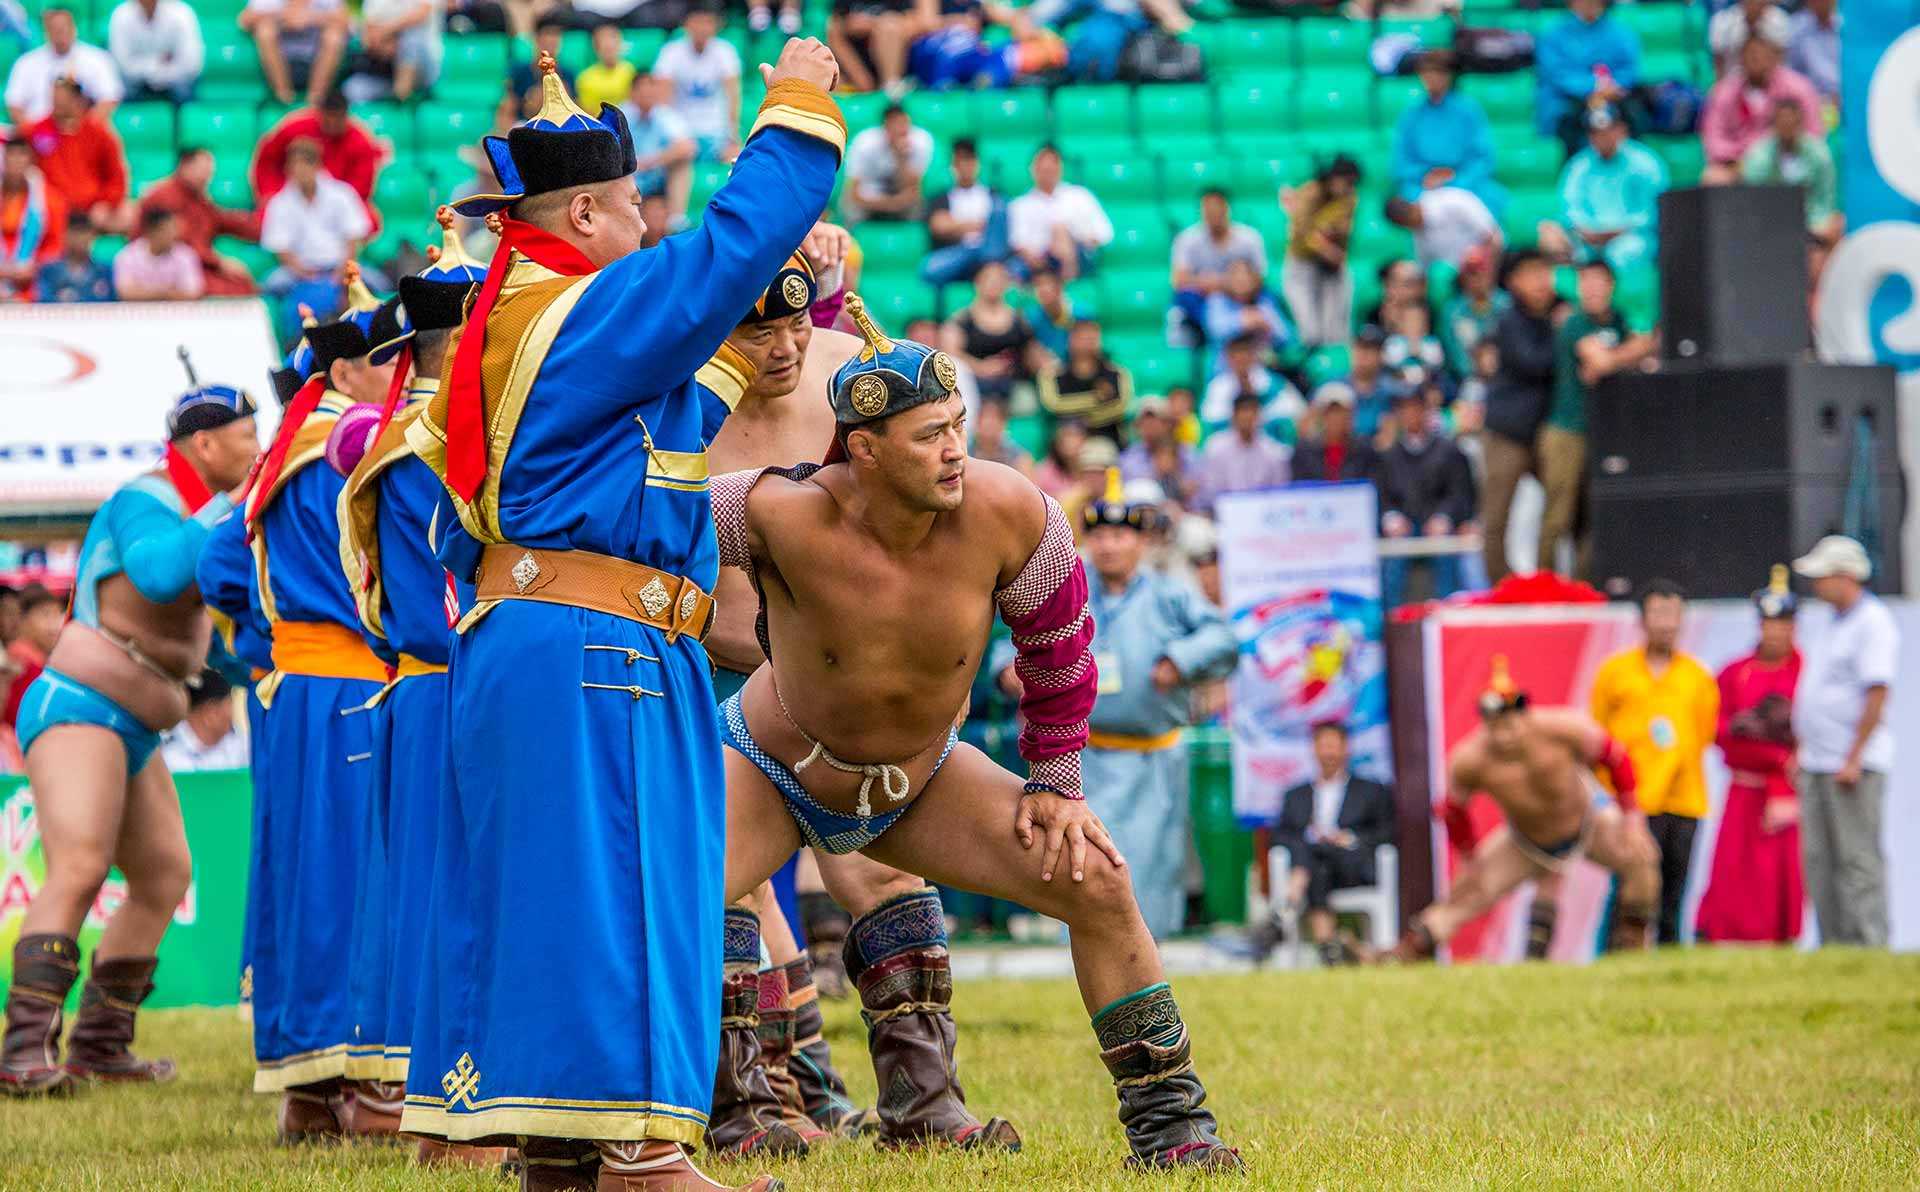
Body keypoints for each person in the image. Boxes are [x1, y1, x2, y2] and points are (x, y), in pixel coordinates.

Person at [394, 44, 844, 1190]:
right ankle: (643, 1154)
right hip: (600, 647)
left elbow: (655, 422)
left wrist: (780, 315)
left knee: (549, 897)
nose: (647, 220)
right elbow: (723, 254)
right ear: (585, 208)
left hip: (520, 637)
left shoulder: (513, 321)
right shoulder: (589, 308)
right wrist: (796, 106)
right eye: (636, 200)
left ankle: (558, 1148)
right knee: (627, 889)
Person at [710, 301, 1242, 1172]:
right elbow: (647, 530)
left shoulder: (1012, 511)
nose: (957, 450)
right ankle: (598, 1133)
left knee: (1098, 880)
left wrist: (1056, 785)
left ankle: (1173, 1131)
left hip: (915, 780)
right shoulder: (779, 511)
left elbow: (1061, 651)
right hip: (774, 764)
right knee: (657, 902)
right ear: (866, 449)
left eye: (958, 427)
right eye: (930, 436)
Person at [704, 264, 1011, 1156]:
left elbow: (932, 415)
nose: (785, 349)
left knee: (883, 872)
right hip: (712, 674)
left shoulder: (841, 363)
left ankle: (922, 1107)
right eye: (758, 333)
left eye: (795, 330)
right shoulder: (677, 404)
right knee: (724, 884)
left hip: (839, 694)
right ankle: (749, 1107)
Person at [0, 378, 259, 1095]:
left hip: (137, 721)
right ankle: (22, 1053)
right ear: (204, 444)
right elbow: (157, 573)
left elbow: (200, 630)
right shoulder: (145, 499)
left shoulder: (201, 511)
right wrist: (230, 506)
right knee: (80, 867)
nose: (258, 450)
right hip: (79, 707)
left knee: (164, 875)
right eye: (248, 437)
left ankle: (98, 1045)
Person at [332, 211, 507, 1171]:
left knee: (425, 894)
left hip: (410, 683)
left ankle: (428, 1104)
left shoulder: (391, 438)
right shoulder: (451, 438)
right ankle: (456, 1108)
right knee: (466, 897)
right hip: (460, 681)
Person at [237, 277, 401, 1141]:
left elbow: (230, 563)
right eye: (387, 358)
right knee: (357, 883)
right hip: (353, 686)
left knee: (305, 886)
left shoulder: (287, 445)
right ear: (345, 371)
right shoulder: (348, 444)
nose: (403, 369)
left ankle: (308, 1095)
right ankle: (372, 1093)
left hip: (298, 690)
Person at [1019, 473, 1236, 939]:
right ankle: (1081, 954)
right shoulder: (1069, 586)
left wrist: (1180, 659)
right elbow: (1019, 636)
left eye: (1120, 535)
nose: (1110, 546)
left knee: (1152, 865)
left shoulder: (1169, 592)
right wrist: (1007, 671)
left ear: (1139, 542)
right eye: (1099, 535)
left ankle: (1151, 961)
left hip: (1154, 756)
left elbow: (1223, 637)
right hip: (1083, 757)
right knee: (1080, 860)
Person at [1388, 657, 1661, 962]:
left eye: (1509, 722)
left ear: (1525, 714)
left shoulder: (1563, 728)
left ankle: (1633, 945)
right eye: (1495, 726)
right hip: (1525, 840)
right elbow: (1453, 811)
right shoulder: (1470, 759)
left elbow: (1616, 759)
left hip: (1588, 822)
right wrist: (1469, 857)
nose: (1504, 735)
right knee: (1469, 891)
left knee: (1642, 858)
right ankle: (1403, 955)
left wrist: (1632, 819)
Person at [1589, 580, 1719, 946]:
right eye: (1658, 614)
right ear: (1642, 620)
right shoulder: (1616, 673)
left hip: (1684, 799)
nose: (1666, 623)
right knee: (1628, 888)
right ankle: (1612, 956)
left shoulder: (1696, 676)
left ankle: (1670, 958)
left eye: (1673, 614)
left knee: (1674, 890)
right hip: (1634, 802)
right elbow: (1598, 738)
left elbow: (1704, 733)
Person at [1790, 535, 1897, 949]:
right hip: (1818, 762)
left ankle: (1871, 942)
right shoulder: (1834, 622)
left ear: (1847, 576)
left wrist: (1854, 756)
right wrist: (1804, 750)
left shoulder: (1873, 622)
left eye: (1823, 576)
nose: (1816, 585)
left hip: (1853, 765)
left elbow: (1877, 692)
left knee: (1857, 859)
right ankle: (1834, 944)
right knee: (1820, 860)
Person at [1695, 568, 1804, 945]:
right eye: (1768, 623)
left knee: (1783, 872)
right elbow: (1721, 733)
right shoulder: (1734, 673)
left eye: (1783, 623)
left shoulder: (1805, 671)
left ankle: (1783, 937)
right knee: (1734, 871)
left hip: (1787, 792)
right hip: (1745, 790)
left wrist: (1784, 762)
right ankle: (1724, 936)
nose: (1775, 631)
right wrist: (1771, 753)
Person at [1537, 258, 1652, 578]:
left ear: (1611, 286)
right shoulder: (1575, 323)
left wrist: (1616, 358)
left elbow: (1645, 346)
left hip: (1603, 431)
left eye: (1598, 281)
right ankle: (1543, 582)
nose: (1592, 289)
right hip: (1566, 430)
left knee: (1597, 514)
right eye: (1585, 282)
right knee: (1558, 516)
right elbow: (1603, 360)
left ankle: (1584, 583)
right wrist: (1626, 356)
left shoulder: (1618, 320)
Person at [1259, 721, 1395, 966]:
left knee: (1314, 855)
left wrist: (1348, 838)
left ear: (1346, 749)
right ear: (1314, 750)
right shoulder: (1296, 795)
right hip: (1317, 869)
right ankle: (1328, 950)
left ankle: (1286, 906)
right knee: (1314, 857)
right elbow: (1279, 836)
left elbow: (1386, 832)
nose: (1329, 753)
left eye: (1334, 746)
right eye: (1323, 746)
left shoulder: (1371, 791)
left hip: (1350, 865)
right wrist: (1314, 836)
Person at [1479, 249, 1560, 586]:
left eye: (1545, 272)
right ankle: (1501, 585)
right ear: (1513, 283)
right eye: (1531, 274)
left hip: (1546, 431)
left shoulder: (1558, 313)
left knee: (1563, 507)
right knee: (1497, 515)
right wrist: (1563, 335)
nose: (1541, 282)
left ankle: (1551, 579)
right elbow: (1534, 363)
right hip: (1508, 432)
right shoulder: (1509, 321)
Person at [1539, 105, 1667, 277]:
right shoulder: (1580, 165)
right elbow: (1570, 208)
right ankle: (1571, 299)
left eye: (1608, 130)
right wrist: (1586, 230)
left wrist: (1617, 231)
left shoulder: (1645, 163)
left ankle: (1622, 300)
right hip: (1588, 237)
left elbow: (1654, 211)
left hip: (1632, 236)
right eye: (1596, 133)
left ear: (1622, 130)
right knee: (1550, 236)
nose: (1602, 137)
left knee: (1624, 252)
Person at [1376, 387, 1474, 608]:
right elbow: (1383, 497)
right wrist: (1390, 517)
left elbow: (1460, 493)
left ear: (1425, 410)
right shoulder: (1388, 456)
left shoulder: (1448, 451)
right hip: (1404, 528)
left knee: (1447, 548)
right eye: (1404, 409)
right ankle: (1393, 619)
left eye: (1415, 407)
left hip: (1438, 526)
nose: (1410, 414)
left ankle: (1448, 612)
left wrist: (1444, 516)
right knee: (1393, 555)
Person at [1389, 50, 1502, 227]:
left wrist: (1455, 179)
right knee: (1408, 209)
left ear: (1450, 75)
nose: (1432, 78)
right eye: (1427, 72)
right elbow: (1402, 162)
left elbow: (1483, 157)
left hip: (1466, 181)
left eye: (1439, 72)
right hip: (1423, 184)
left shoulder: (1469, 110)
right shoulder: (1410, 115)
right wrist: (1425, 176)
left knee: (1486, 203)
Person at [1701, 34, 1826, 185]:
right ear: (1741, 60)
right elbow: (1714, 138)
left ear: (1774, 58)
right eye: (1751, 56)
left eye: (1761, 55)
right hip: (1738, 164)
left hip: (1787, 157)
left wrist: (1783, 151)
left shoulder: (1799, 88)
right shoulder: (1724, 92)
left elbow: (1814, 132)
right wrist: (1744, 159)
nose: (1756, 61)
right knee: (1713, 178)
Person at [136, 146, 261, 297]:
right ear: (184, 166)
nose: (206, 177)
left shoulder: (199, 198)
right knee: (224, 288)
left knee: (241, 283)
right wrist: (219, 262)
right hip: (166, 265)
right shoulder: (164, 196)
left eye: (209, 173)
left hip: (197, 263)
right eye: (202, 170)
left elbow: (222, 220)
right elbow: (179, 242)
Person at [259, 138, 370, 296]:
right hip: (298, 272)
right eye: (295, 165)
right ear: (288, 168)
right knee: (271, 285)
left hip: (340, 266)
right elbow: (281, 249)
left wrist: (341, 271)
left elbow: (353, 238)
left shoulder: (342, 194)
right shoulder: (279, 203)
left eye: (306, 164)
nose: (300, 170)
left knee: (379, 283)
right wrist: (305, 275)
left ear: (317, 165)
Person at [22, 77, 131, 235]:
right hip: (52, 209)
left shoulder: (100, 134)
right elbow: (16, 155)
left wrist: (106, 203)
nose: (56, 104)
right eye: (54, 98)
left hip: (92, 211)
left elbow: (116, 178)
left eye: (62, 99)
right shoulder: (36, 131)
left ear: (78, 101)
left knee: (129, 216)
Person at [1534, 0, 1643, 158]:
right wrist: (1593, 87)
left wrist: (1610, 88)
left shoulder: (1621, 33)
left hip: (1614, 96)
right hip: (1569, 101)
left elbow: (1629, 70)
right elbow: (1557, 74)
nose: (1589, 4)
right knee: (1570, 122)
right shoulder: (1553, 34)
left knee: (1634, 116)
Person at [251, 89, 385, 216]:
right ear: (320, 113)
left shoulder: (360, 142)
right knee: (268, 214)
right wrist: (270, 193)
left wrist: (329, 207)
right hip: (292, 201)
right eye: (328, 118)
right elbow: (267, 162)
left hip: (337, 209)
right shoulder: (294, 129)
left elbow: (359, 190)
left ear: (346, 116)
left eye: (337, 118)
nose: (332, 123)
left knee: (368, 219)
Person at [1740, 98, 1843, 247]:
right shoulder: (1758, 157)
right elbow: (1752, 200)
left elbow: (1825, 199)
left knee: (1835, 228)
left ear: (1800, 123)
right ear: (1774, 124)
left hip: (1811, 220)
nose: (1787, 126)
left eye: (1791, 122)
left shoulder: (1819, 154)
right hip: (1769, 221)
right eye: (1782, 122)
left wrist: (1816, 225)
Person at [1170, 188, 1267, 344]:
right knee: (1185, 297)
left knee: (1269, 296)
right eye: (1208, 209)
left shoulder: (1250, 237)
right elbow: (1178, 280)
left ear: (1227, 208)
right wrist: (1222, 283)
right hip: (1204, 296)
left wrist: (1236, 287)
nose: (1213, 214)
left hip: (1243, 293)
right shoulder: (1187, 239)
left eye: (1217, 208)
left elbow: (1260, 276)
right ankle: (1218, 332)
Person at [1279, 156, 1358, 347]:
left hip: (1332, 266)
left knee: (1336, 334)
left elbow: (1339, 230)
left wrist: (1323, 239)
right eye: (1345, 182)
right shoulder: (1309, 193)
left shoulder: (1349, 198)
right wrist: (1323, 244)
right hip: (1302, 263)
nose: (1348, 187)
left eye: (1351, 183)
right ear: (1332, 178)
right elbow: (1301, 235)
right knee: (1310, 333)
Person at [941, 259, 1040, 405]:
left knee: (1028, 401)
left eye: (999, 278)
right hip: (973, 385)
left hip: (1012, 385)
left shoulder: (1019, 319)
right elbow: (950, 355)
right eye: (989, 278)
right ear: (977, 282)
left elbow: (1032, 352)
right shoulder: (961, 319)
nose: (994, 283)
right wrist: (981, 368)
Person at [1007, 144, 1111, 283]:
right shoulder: (1019, 205)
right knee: (1013, 268)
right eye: (1043, 168)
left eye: (1052, 167)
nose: (1047, 172)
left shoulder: (1081, 196)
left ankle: (1065, 279)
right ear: (1033, 170)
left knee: (1062, 234)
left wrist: (1069, 241)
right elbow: (1017, 242)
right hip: (1037, 262)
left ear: (1060, 168)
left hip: (1079, 255)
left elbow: (1103, 233)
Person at [4, 6, 124, 127]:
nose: (59, 34)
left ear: (74, 28)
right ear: (45, 31)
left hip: (81, 133)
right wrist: (35, 134)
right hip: (39, 134)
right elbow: (14, 104)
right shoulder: (26, 63)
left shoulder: (98, 59)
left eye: (63, 28)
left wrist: (85, 131)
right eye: (54, 29)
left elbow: (109, 99)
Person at [655, 3, 743, 163]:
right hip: (682, 131)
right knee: (677, 152)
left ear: (716, 25)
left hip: (717, 132)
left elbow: (733, 96)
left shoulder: (725, 52)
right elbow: (662, 101)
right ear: (686, 23)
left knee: (739, 159)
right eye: (697, 22)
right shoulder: (671, 52)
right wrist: (674, 133)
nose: (702, 28)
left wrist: (732, 134)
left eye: (708, 22)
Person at [921, 137, 1007, 288]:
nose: (965, 166)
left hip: (990, 254)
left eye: (969, 160)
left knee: (1000, 212)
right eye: (960, 161)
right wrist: (979, 225)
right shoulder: (941, 198)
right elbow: (939, 227)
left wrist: (956, 226)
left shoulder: (993, 195)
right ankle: (990, 269)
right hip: (959, 254)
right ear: (953, 165)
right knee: (930, 268)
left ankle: (990, 268)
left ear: (977, 163)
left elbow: (1001, 229)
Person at [1035, 319, 1131, 446]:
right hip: (1067, 442)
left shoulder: (1118, 374)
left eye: (1092, 337)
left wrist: (1087, 419)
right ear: (1070, 340)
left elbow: (1122, 407)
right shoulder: (1052, 375)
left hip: (1108, 439)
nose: (1087, 342)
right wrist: (1096, 399)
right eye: (1082, 337)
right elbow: (1053, 404)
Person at [621, 71, 696, 232]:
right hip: (629, 180)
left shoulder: (664, 115)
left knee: (682, 164)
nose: (647, 94)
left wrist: (651, 162)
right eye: (642, 90)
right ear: (632, 93)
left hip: (657, 178)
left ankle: (676, 220)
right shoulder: (622, 115)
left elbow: (688, 146)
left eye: (651, 89)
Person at [240, 0, 350, 106]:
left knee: (335, 36)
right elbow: (244, 21)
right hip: (278, 61)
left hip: (316, 59)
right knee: (265, 31)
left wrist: (312, 17)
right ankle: (284, 99)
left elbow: (347, 22)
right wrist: (282, 16)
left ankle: (316, 101)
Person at [1194, 391, 1288, 514]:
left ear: (1259, 417)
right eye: (1243, 413)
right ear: (1234, 416)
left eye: (1252, 414)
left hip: (1263, 515)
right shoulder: (1215, 447)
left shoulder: (1274, 452)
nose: (1248, 420)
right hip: (1222, 513)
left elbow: (1280, 493)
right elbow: (1209, 491)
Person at [0, 135, 65, 303]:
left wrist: (33, 267)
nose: (15, 162)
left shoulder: (50, 200)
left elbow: (55, 246)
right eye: (11, 156)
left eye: (21, 156)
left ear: (31, 161)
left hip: (33, 281)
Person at [842, 104, 932, 223]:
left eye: (903, 124)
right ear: (885, 126)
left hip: (900, 196)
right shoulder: (864, 143)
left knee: (918, 208)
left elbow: (914, 189)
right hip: (870, 194)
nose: (900, 130)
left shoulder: (921, 141)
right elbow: (853, 192)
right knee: (849, 208)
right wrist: (886, 204)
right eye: (895, 125)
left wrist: (901, 157)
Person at [1200, 259, 1291, 377]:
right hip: (1225, 372)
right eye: (1235, 276)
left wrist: (1267, 324)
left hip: (1262, 371)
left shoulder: (1264, 302)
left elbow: (1285, 337)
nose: (1241, 280)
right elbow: (1215, 331)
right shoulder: (1217, 301)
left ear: (1255, 280)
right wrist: (1242, 321)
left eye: (1246, 275)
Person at [1199, 330, 1299, 434]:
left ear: (1253, 355)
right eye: (1236, 355)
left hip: (1267, 441)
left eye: (1245, 353)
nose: (1241, 359)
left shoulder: (1272, 383)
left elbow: (1289, 413)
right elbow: (1210, 419)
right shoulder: (1217, 386)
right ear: (1228, 358)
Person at [344, 0, 444, 102]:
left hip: (424, 69)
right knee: (353, 91)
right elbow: (368, 37)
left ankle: (401, 100)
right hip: (386, 69)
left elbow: (422, 14)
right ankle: (398, 97)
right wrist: (387, 44)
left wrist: (386, 32)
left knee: (412, 39)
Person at [108, 0, 204, 104]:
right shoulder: (121, 15)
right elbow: (122, 66)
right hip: (136, 83)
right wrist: (157, 63)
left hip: (175, 81)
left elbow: (192, 65)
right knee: (119, 88)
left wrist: (157, 73)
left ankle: (183, 118)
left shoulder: (182, 13)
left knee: (184, 89)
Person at [1438, 244, 1507, 383]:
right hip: (1466, 380)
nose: (1477, 279)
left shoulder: (1507, 305)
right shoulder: (1453, 311)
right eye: (1472, 273)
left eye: (1482, 272)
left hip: (1507, 377)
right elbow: (1453, 352)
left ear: (1491, 274)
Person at [1291, 382, 1379, 484]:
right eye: (1330, 412)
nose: (1335, 418)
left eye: (1341, 412)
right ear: (1321, 415)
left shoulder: (1365, 450)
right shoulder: (1304, 451)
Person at [159, 670, 247, 772]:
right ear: (211, 713)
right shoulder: (166, 753)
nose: (233, 711)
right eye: (230, 702)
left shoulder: (242, 746)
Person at [3, 584, 63, 730]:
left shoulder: (41, 661)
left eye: (58, 614)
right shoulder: (19, 662)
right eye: (45, 614)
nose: (55, 625)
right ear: (23, 620)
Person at [112, 206, 203, 300]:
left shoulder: (186, 255)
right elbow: (125, 293)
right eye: (167, 231)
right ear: (152, 231)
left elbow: (193, 293)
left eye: (174, 229)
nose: (173, 235)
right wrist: (167, 293)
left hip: (177, 313)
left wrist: (144, 292)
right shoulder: (128, 255)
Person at [827, 0, 917, 94]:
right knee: (833, 30)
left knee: (889, 26)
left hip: (889, 57)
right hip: (856, 61)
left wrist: (871, 25)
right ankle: (864, 85)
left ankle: (890, 87)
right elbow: (835, 29)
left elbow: (914, 22)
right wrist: (862, 79)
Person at [33, 211, 115, 302]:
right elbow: (44, 303)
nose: (83, 237)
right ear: (66, 235)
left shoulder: (104, 271)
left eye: (87, 232)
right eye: (77, 232)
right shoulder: (49, 271)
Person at [1117, 395, 1192, 487]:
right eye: (1144, 420)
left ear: (1168, 424)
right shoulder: (1129, 457)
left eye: (1154, 419)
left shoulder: (1186, 453)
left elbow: (1197, 487)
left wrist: (1175, 476)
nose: (1149, 425)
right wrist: (1157, 473)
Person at [1708, 0, 1789, 79]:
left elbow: (1781, 62)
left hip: (1771, 83)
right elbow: (1718, 63)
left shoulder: (1780, 20)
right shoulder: (1722, 22)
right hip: (1731, 82)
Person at [1018, 262, 1080, 359]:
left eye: (1047, 283)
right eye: (1037, 285)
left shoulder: (1080, 314)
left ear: (1060, 286)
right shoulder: (1030, 318)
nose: (1042, 289)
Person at [1786, 0, 1839, 111]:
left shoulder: (1847, 25)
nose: (1820, 2)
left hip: (1846, 96)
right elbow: (1790, 70)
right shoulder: (1795, 28)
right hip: (1810, 100)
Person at [577, 22, 637, 112]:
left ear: (619, 46)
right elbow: (587, 111)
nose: (609, 53)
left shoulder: (630, 71)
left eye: (612, 47)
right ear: (596, 49)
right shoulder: (585, 78)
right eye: (605, 48)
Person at [972, 396, 1033, 475]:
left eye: (994, 418)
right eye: (985, 418)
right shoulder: (965, 453)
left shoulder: (1019, 457)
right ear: (976, 422)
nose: (989, 423)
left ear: (1004, 423)